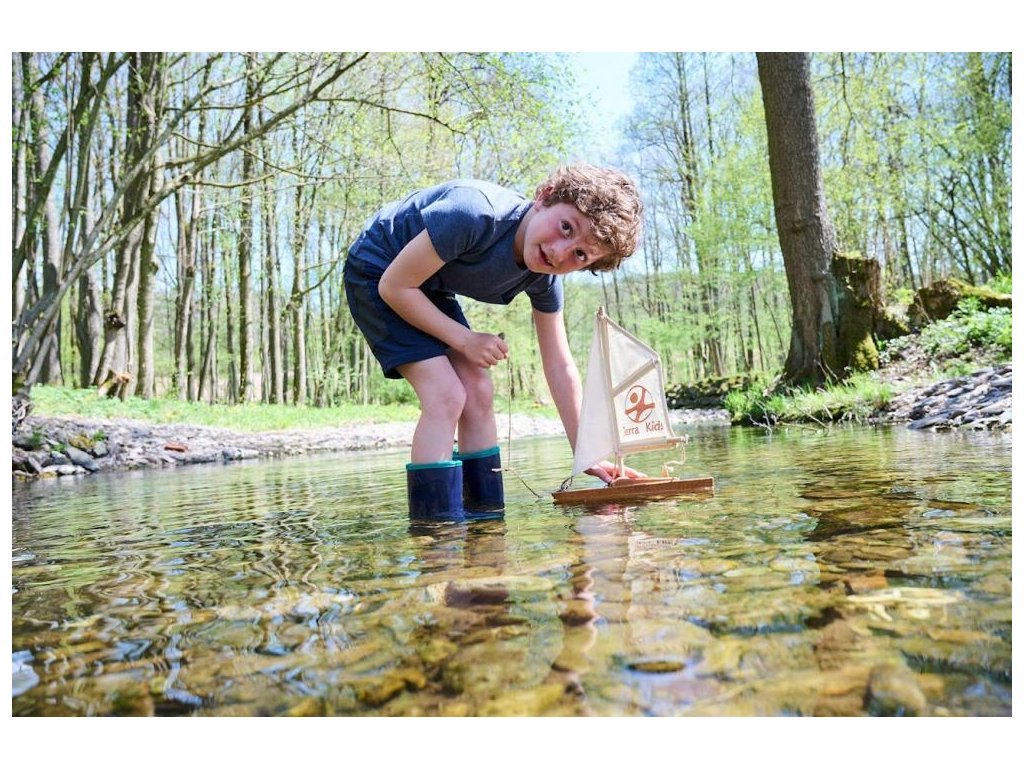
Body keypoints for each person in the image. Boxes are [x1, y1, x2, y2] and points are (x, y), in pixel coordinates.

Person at [343, 164, 645, 521]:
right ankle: (435, 528)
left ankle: (487, 518)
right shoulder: (473, 214)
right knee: (446, 394)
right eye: (566, 227)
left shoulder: (544, 280)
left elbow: (560, 367)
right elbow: (395, 287)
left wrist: (588, 455)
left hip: (427, 286)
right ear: (545, 197)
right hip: (380, 270)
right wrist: (465, 340)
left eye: (581, 255)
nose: (561, 252)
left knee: (479, 390)